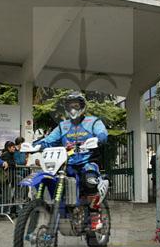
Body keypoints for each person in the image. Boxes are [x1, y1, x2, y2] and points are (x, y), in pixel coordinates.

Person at [36, 92, 108, 229]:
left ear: (82, 106)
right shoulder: (63, 126)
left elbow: (102, 133)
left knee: (89, 180)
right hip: (67, 163)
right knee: (53, 179)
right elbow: (49, 140)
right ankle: (61, 210)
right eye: (70, 106)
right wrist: (35, 145)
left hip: (88, 161)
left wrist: (99, 138)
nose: (73, 109)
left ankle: (95, 215)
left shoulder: (93, 121)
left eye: (76, 105)